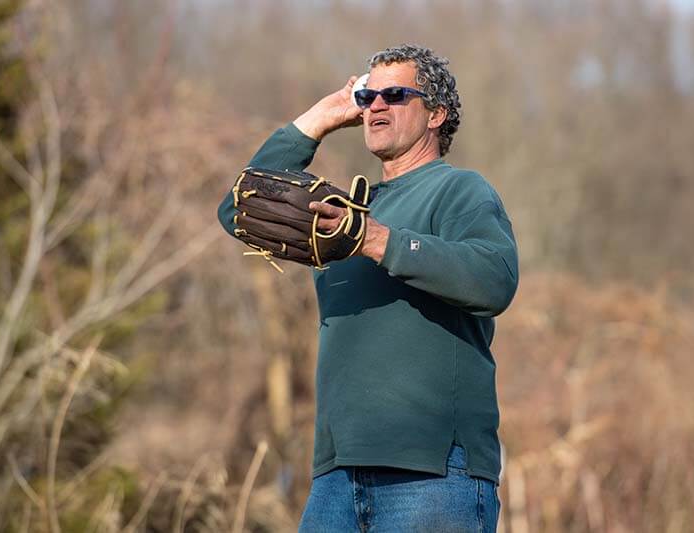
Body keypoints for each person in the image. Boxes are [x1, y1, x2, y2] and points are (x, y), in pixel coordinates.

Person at [217, 44, 518, 532]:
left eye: (394, 94)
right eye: (367, 95)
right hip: (337, 475)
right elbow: (239, 210)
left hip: (432, 473)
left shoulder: (460, 190)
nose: (375, 105)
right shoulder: (342, 212)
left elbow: (495, 280)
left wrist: (378, 241)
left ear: (436, 113)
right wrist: (318, 119)